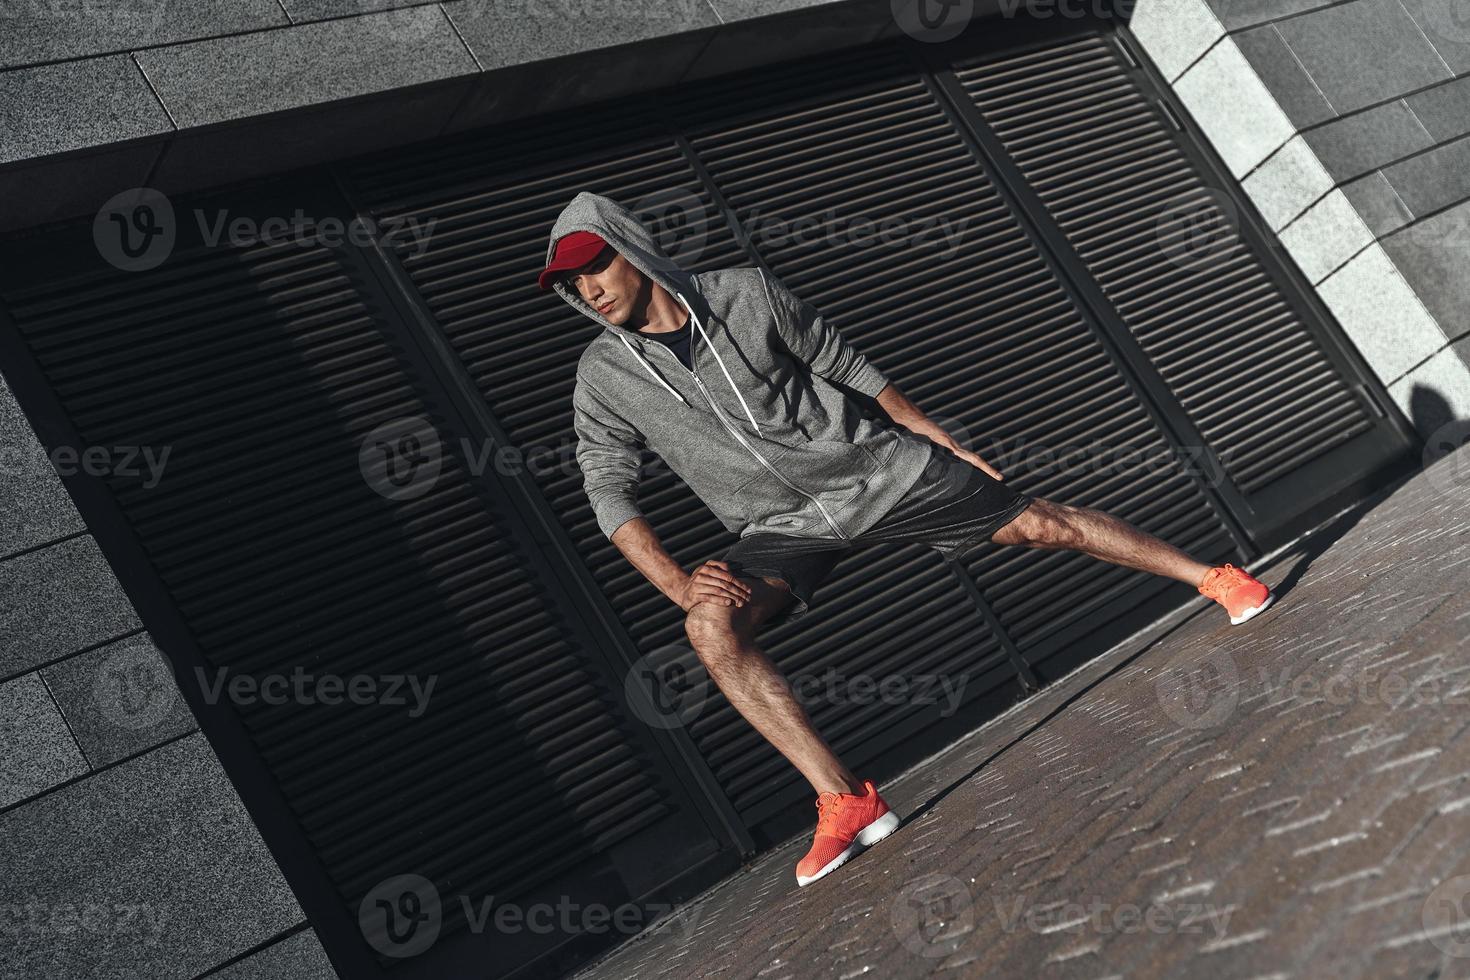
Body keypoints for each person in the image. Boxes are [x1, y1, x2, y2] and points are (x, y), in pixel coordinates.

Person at [540, 191, 1274, 886]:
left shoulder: (746, 294)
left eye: (595, 264)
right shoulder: (603, 376)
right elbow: (606, 488)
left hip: (877, 468)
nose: (590, 289)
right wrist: (678, 585)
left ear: (631, 249)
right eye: (571, 282)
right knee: (710, 627)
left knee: (1036, 522)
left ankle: (1212, 575)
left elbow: (844, 363)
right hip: (781, 525)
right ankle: (845, 799)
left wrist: (934, 437)